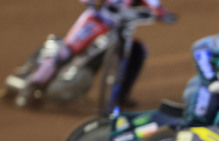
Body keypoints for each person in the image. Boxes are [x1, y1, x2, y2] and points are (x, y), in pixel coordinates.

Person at [15, 0, 176, 108]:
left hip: (121, 30)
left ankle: (121, 95)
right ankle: (32, 86)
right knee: (67, 52)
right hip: (97, 21)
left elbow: (157, 7)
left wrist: (164, 15)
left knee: (138, 52)